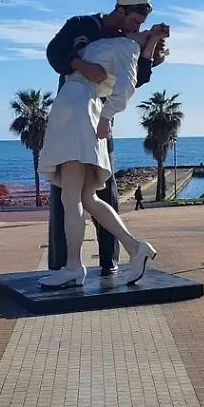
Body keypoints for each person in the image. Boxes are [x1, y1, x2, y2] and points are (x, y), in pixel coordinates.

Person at [37, 19, 169, 288]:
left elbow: (127, 86)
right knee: (87, 197)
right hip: (77, 108)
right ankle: (135, 247)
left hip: (78, 111)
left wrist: (107, 116)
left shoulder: (126, 47)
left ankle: (73, 266)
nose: (139, 29)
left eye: (142, 30)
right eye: (139, 26)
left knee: (71, 197)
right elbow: (57, 53)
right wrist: (152, 40)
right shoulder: (120, 42)